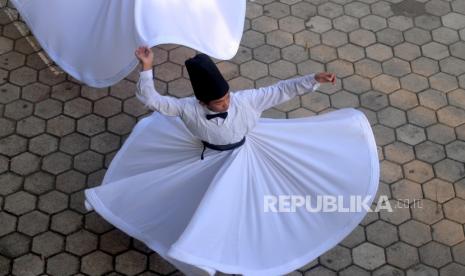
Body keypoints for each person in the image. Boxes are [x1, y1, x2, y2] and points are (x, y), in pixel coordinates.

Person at [84, 46, 379, 276]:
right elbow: (153, 100)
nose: (226, 103)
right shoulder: (187, 109)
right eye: (218, 102)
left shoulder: (245, 100)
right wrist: (147, 68)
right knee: (209, 204)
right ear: (201, 102)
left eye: (226, 97)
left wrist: (312, 80)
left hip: (249, 152)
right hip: (212, 158)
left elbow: (279, 91)